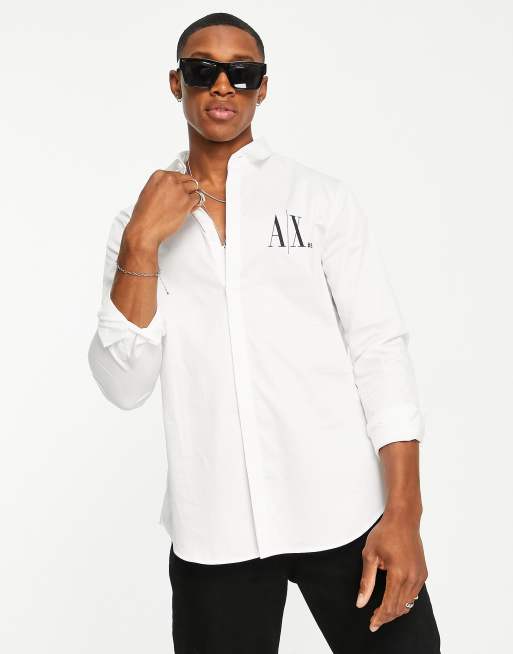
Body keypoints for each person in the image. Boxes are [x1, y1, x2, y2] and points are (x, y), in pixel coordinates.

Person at [88, 11, 441, 654]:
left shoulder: (320, 200)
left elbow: (379, 351)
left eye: (242, 73)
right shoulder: (137, 224)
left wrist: (404, 514)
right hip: (214, 530)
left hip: (347, 514)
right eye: (203, 70)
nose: (223, 85)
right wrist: (141, 241)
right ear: (176, 82)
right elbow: (124, 385)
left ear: (263, 87)